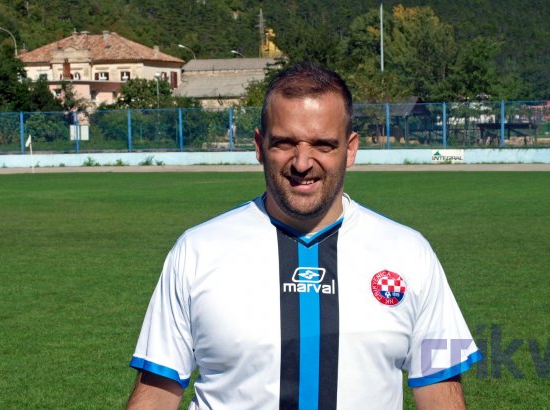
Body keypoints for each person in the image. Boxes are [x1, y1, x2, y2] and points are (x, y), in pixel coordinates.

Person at [127, 62, 482, 409]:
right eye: (284, 143)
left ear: (351, 149)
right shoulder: (197, 251)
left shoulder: (410, 254)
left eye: (323, 145)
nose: (302, 162)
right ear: (259, 145)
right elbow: (157, 392)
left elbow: (440, 389)